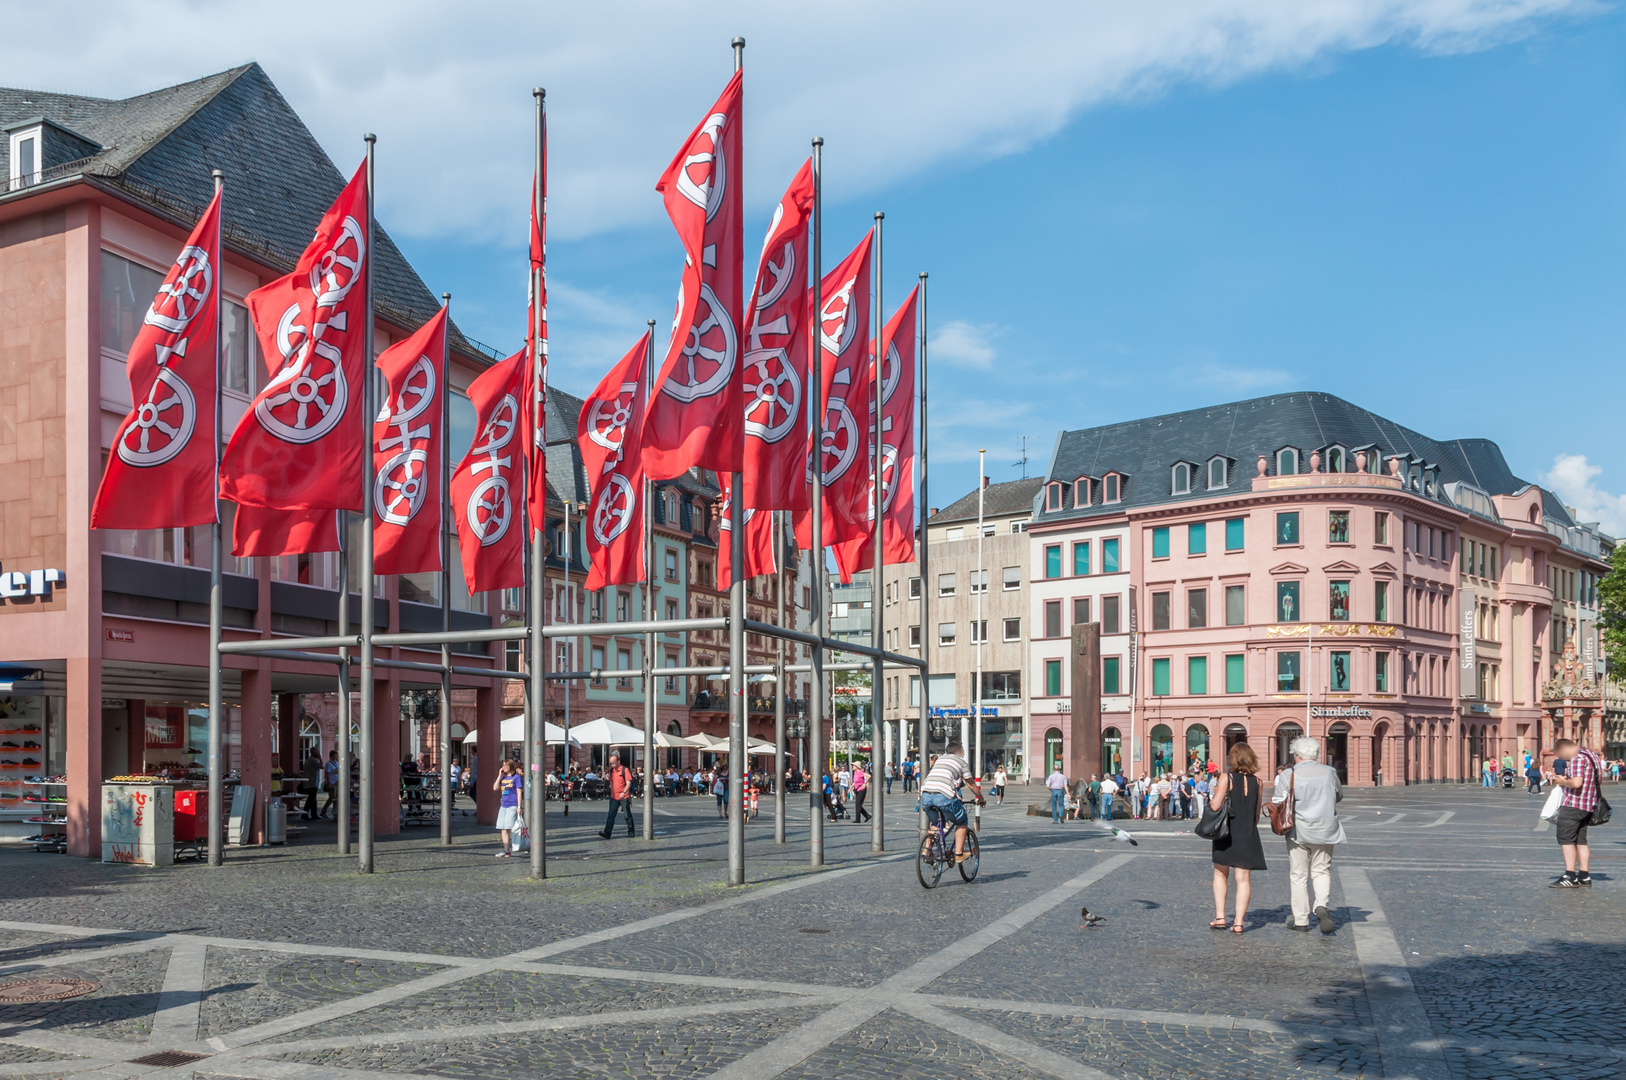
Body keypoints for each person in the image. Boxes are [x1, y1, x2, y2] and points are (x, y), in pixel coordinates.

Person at [1273, 736, 1345, 933]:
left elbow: (1279, 801)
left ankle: (1301, 920)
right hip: (1325, 828)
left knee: (1298, 875)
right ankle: (1321, 905)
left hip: (1298, 830)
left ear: (1297, 756)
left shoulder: (1289, 774)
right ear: (1316, 754)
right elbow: (1338, 795)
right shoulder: (1330, 772)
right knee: (1321, 870)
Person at [1209, 742, 1266, 934]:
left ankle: (1220, 917)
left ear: (1232, 759)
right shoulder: (1258, 782)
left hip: (1227, 832)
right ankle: (1239, 923)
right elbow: (1256, 815)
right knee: (1243, 879)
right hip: (1248, 833)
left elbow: (1216, 806)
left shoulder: (1226, 777)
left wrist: (1214, 795)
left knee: (1220, 874)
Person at [1544, 739, 1604, 888]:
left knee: (1567, 840)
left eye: (1561, 755)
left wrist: (1562, 781)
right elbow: (1598, 780)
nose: (1563, 759)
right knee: (1581, 841)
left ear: (1564, 750)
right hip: (1588, 805)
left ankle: (1569, 876)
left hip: (1573, 805)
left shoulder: (1578, 758)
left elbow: (1577, 783)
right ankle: (1584, 876)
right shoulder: (1592, 755)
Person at [920, 740, 984, 863]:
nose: (964, 753)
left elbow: (942, 779)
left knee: (936, 822)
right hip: (943, 796)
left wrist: (955, 795)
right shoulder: (960, 761)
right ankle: (959, 853)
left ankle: (926, 850)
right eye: (963, 751)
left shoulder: (940, 760)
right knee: (962, 819)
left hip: (926, 795)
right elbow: (970, 784)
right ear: (958, 751)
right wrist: (980, 798)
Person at [599, 753, 636, 839]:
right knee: (611, 815)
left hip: (624, 796)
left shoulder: (624, 770)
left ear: (618, 761)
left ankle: (631, 832)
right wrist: (608, 779)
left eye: (613, 763)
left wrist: (624, 792)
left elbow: (629, 783)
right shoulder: (612, 771)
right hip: (614, 797)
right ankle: (607, 833)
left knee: (627, 815)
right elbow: (612, 781)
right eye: (611, 763)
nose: (612, 765)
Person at [492, 758, 523, 857]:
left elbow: (519, 792)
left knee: (511, 827)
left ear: (511, 766)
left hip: (512, 805)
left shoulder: (516, 777)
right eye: (503, 765)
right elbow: (495, 788)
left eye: (506, 765)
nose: (504, 767)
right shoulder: (503, 777)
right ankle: (506, 851)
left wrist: (519, 806)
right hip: (503, 805)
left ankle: (521, 844)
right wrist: (499, 775)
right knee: (503, 828)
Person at [300, 749, 323, 820]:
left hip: (311, 782)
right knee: (311, 799)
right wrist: (320, 758)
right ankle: (306, 813)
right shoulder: (313, 760)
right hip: (312, 783)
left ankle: (312, 814)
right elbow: (322, 766)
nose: (318, 753)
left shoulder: (310, 760)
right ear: (313, 753)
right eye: (317, 752)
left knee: (312, 799)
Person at [321, 750, 340, 820]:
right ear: (331, 756)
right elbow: (327, 774)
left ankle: (335, 813)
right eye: (334, 755)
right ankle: (323, 811)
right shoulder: (328, 764)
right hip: (331, 783)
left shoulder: (337, 763)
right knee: (332, 798)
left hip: (337, 783)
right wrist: (328, 783)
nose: (335, 757)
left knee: (336, 798)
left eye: (336, 755)